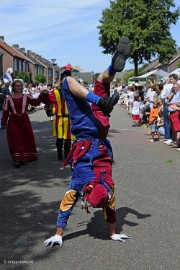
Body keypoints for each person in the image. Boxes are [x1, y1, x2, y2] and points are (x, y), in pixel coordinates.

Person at [44, 36, 131, 248]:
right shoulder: (84, 186)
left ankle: (111, 69)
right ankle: (108, 78)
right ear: (86, 194)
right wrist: (58, 233)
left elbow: (109, 208)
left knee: (80, 81)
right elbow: (67, 205)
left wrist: (113, 233)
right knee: (73, 81)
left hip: (95, 127)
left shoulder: (107, 186)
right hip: (92, 129)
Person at [1, 79, 50, 168]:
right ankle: (17, 159)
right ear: (14, 87)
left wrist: (42, 95)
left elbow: (36, 103)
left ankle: (23, 157)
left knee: (24, 139)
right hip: (13, 121)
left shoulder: (26, 96)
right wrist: (3, 123)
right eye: (17, 86)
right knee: (14, 140)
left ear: (22, 87)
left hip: (24, 120)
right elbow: (5, 112)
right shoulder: (8, 98)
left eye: (20, 85)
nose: (18, 87)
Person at [48, 85, 75, 160]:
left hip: (67, 118)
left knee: (68, 139)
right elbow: (48, 100)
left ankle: (66, 155)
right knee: (59, 138)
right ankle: (60, 154)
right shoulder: (55, 92)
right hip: (59, 118)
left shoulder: (72, 92)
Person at [161, 74, 178, 144]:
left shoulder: (167, 86)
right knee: (172, 121)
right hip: (174, 104)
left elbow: (162, 96)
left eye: (171, 79)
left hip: (169, 104)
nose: (170, 80)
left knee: (168, 121)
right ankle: (173, 138)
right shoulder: (176, 86)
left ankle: (168, 137)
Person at [166, 82, 180, 148]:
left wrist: (170, 103)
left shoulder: (179, 93)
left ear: (178, 87)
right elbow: (168, 98)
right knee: (173, 128)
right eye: (173, 87)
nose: (173, 88)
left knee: (177, 128)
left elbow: (178, 103)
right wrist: (172, 93)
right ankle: (174, 141)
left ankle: (177, 142)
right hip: (172, 112)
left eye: (174, 87)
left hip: (175, 112)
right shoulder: (174, 93)